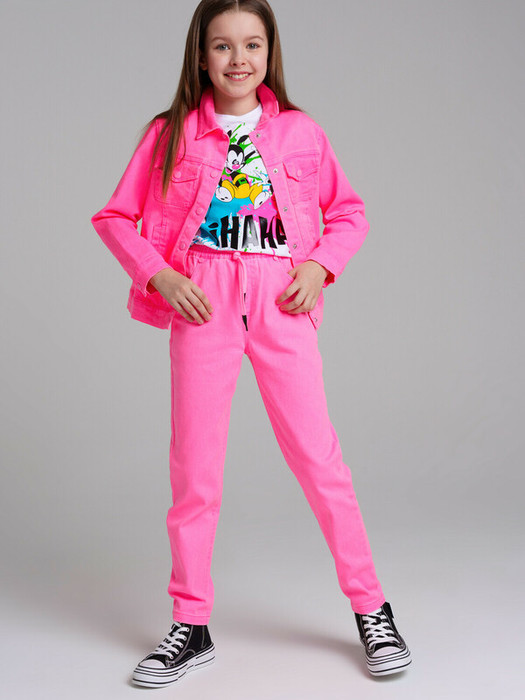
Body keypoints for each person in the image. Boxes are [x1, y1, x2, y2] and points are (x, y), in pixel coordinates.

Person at [91, 0, 412, 688]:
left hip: (280, 300)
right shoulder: (170, 134)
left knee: (320, 462)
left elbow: (349, 212)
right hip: (202, 300)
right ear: (200, 56)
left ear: (270, 53)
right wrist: (160, 275)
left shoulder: (301, 132)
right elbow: (115, 216)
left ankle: (372, 608)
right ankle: (191, 623)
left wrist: (318, 266)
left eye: (252, 45)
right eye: (222, 46)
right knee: (195, 471)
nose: (238, 59)